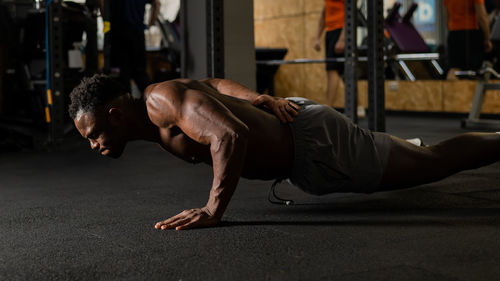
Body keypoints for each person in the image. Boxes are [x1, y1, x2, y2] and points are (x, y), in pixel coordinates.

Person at [70, 74, 500, 230]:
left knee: (434, 165)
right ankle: (396, 150)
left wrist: (212, 209)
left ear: (114, 114)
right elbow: (215, 83)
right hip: (305, 158)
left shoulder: (160, 102)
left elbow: (230, 136)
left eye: (93, 135)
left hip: (313, 145)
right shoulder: (160, 103)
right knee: (403, 157)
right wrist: (257, 96)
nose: (93, 145)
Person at [98, 0, 161, 93]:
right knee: (140, 74)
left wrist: (105, 19)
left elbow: (101, 2)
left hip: (117, 34)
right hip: (137, 33)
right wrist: (150, 23)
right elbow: (157, 3)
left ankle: (126, 105)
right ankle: (154, 101)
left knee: (122, 77)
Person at [443, 0, 493, 80]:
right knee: (475, 71)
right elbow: (481, 16)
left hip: (453, 32)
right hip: (471, 32)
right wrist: (487, 38)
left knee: (454, 69)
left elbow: (446, 17)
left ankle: (451, 91)